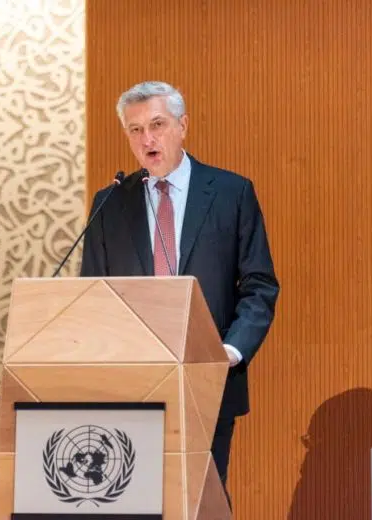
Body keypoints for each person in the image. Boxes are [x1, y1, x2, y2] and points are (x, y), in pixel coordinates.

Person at [80, 80, 280, 501]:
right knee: (133, 502)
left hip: (208, 377)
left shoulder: (230, 193)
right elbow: (92, 297)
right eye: (135, 130)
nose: (147, 139)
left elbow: (259, 285)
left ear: (182, 125)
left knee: (199, 501)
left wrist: (230, 351)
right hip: (130, 386)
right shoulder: (109, 203)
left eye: (157, 124)